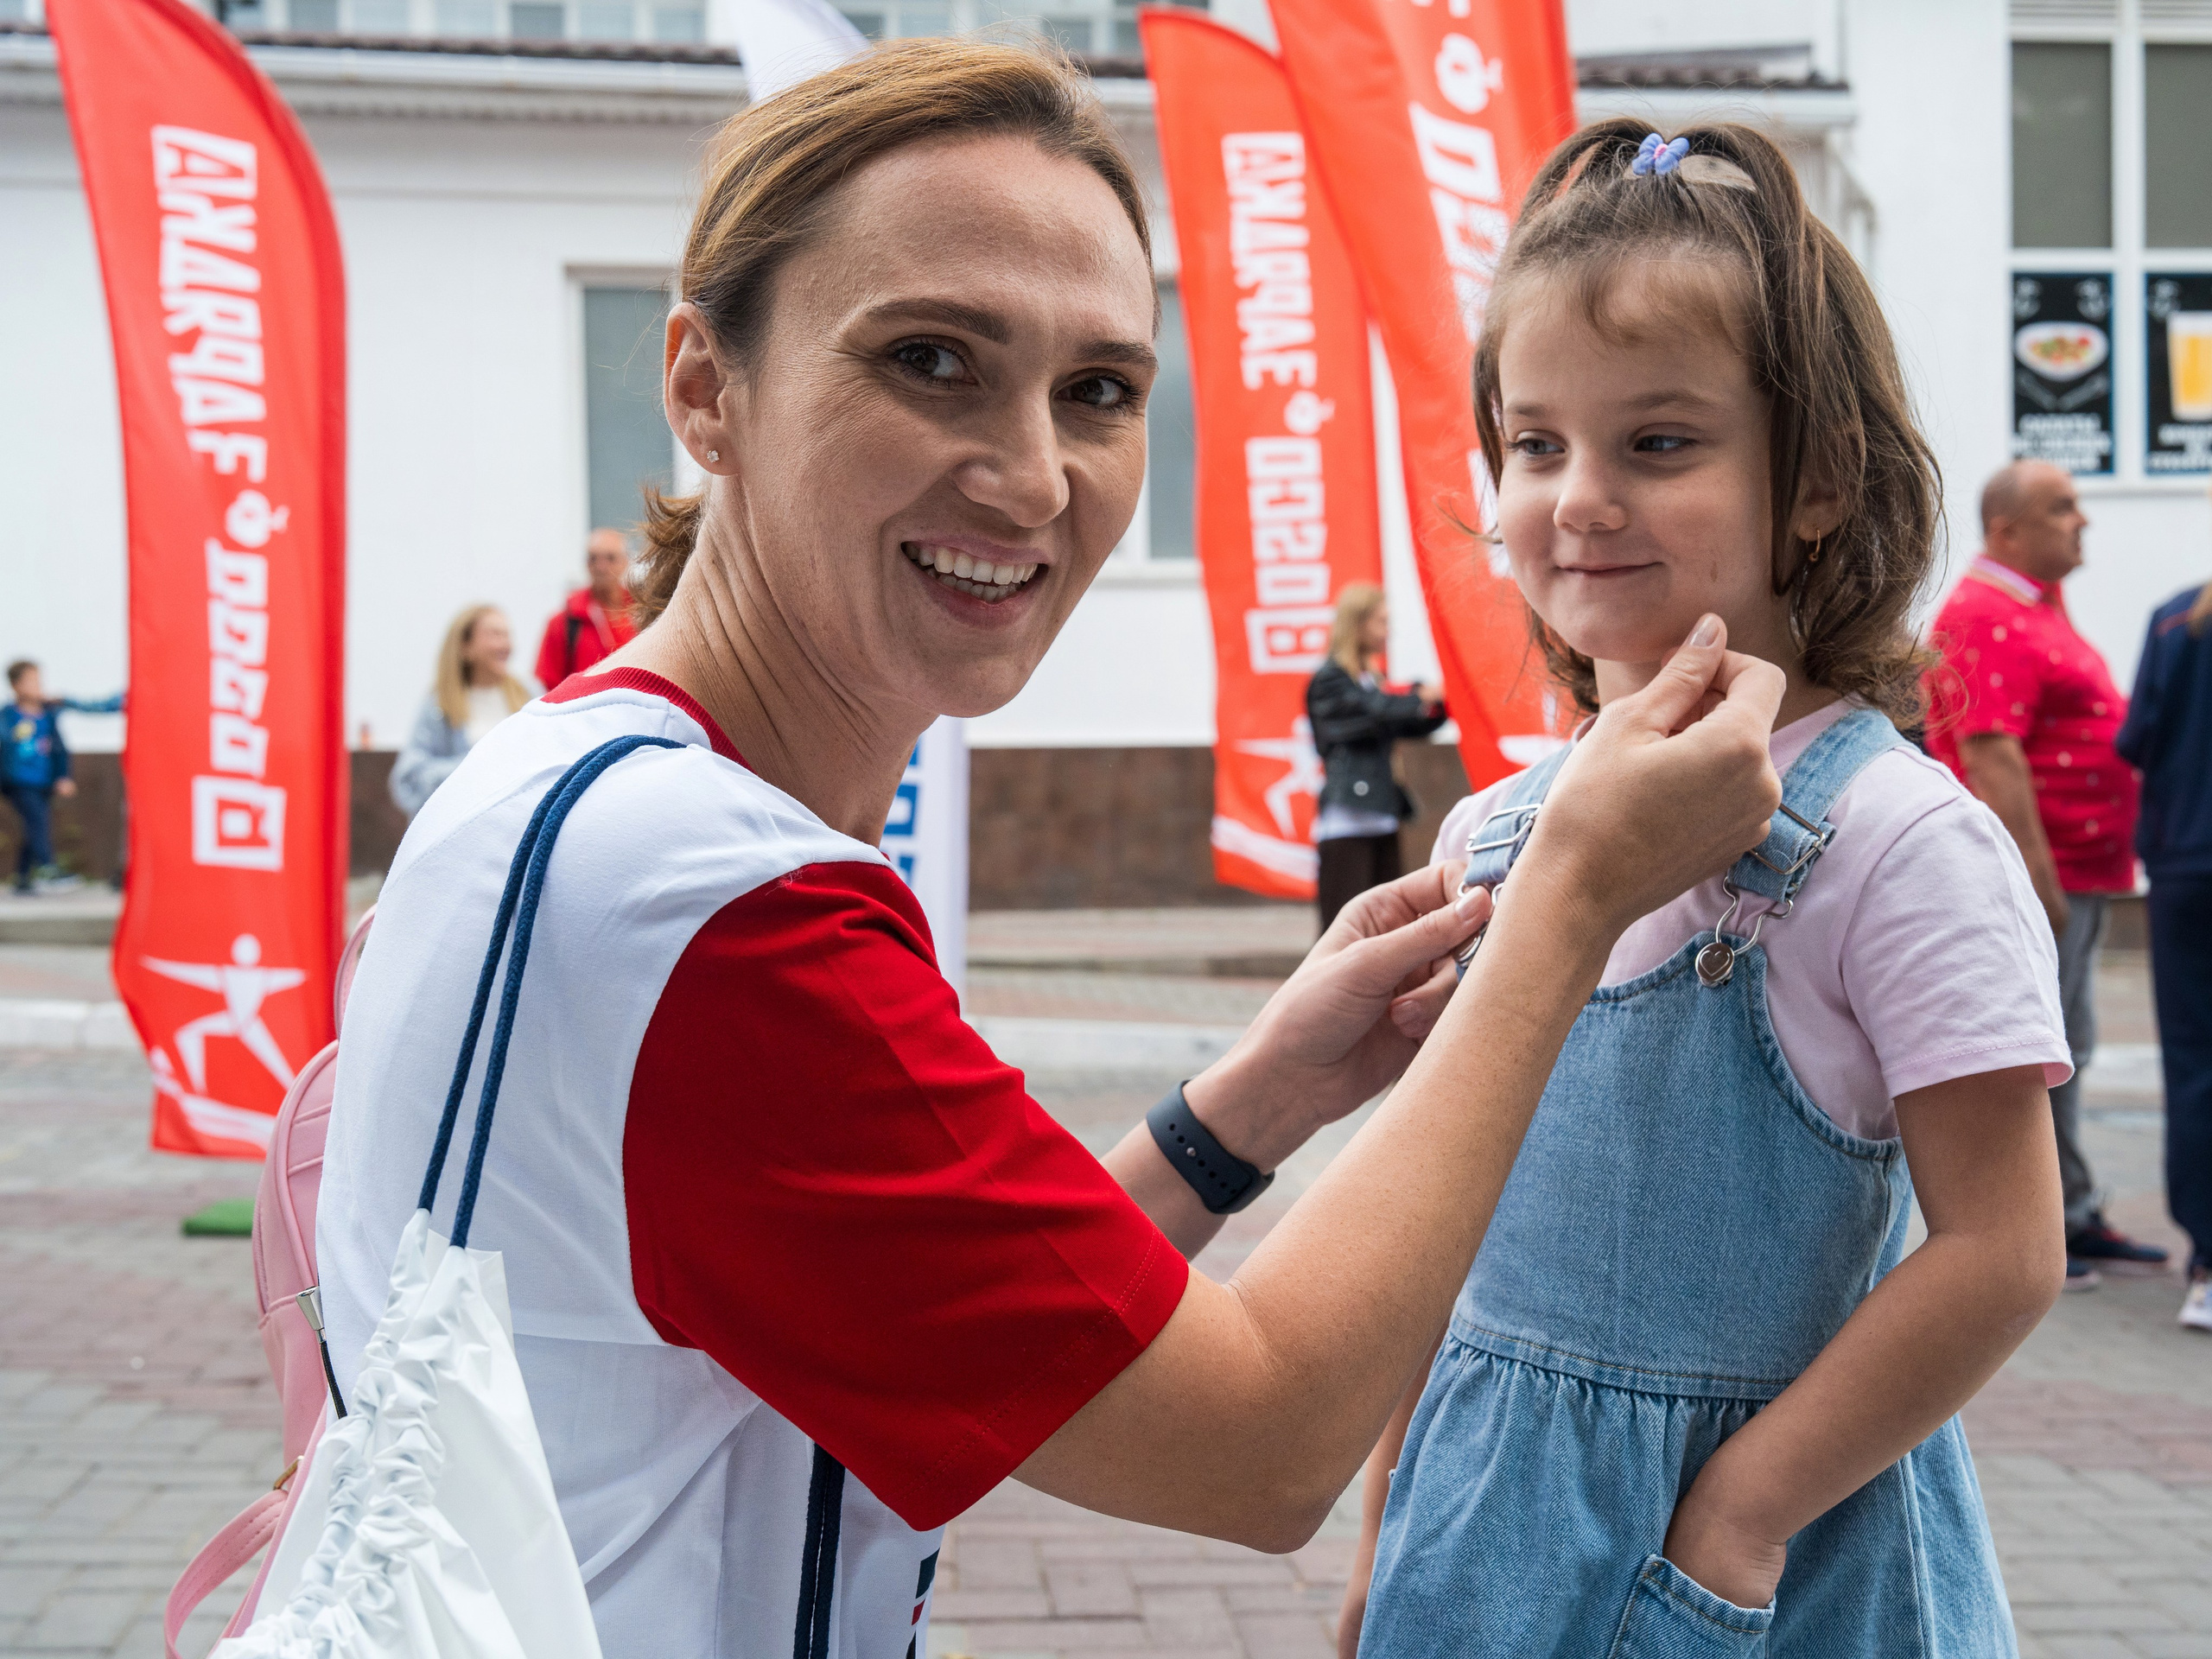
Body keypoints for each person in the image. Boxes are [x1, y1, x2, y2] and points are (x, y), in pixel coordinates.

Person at [316, 48, 1784, 1659]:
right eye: (931, 360)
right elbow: (1262, 1444)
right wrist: (1569, 900)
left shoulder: (552, 779)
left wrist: (1252, 1106)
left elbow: (980, 1323)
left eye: (1099, 390)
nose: (1030, 477)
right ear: (702, 386)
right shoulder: (719, 917)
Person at [1342, 123, 2069, 1658]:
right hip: (1479, 1535)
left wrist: (1736, 1521)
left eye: (1657, 444)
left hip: (1778, 1563)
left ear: (1813, 484)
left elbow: (2004, 1253)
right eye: (1535, 445)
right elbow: (1440, 1230)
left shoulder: (1895, 837)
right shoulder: (1486, 837)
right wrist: (1389, 1505)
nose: (1580, 498)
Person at [1927, 461, 2168, 1287]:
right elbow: (1992, 754)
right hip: (2048, 875)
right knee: (2041, 1049)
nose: (2083, 521)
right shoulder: (1990, 614)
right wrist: (2035, 877)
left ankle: (2072, 1207)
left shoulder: (2033, 607)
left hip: (2083, 870)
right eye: (2062, 507)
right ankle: (2043, 1224)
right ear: (2007, 530)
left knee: (2073, 1041)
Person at [2116, 573, 2212, 1332]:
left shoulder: (2176, 618)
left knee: (2193, 1063)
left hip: (2186, 868)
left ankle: (2207, 1264)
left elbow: (2137, 738)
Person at [1307, 584, 1446, 931]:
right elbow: (1375, 712)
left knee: (1385, 928)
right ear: (1357, 624)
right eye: (1381, 622)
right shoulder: (1330, 681)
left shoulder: (1369, 679)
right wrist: (1418, 698)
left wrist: (1438, 706)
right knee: (1343, 930)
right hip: (1347, 817)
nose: (1388, 632)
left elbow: (1401, 720)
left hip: (1381, 813)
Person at [388, 605, 531, 817]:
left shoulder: (530, 695)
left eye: (507, 635)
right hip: (462, 828)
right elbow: (407, 780)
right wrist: (474, 768)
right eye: (494, 635)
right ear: (466, 647)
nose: (506, 644)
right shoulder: (440, 704)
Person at [2, 659, 118, 894]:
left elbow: (58, 748)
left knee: (35, 825)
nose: (37, 686)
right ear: (16, 685)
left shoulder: (48, 714)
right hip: (16, 780)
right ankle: (49, 868)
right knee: (38, 820)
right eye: (31, 681)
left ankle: (23, 878)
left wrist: (63, 776)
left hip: (43, 780)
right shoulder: (7, 716)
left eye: (38, 681)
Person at [534, 528, 639, 691]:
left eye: (610, 558)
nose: (601, 566)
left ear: (626, 562)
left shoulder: (644, 615)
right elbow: (550, 684)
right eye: (593, 559)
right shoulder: (563, 622)